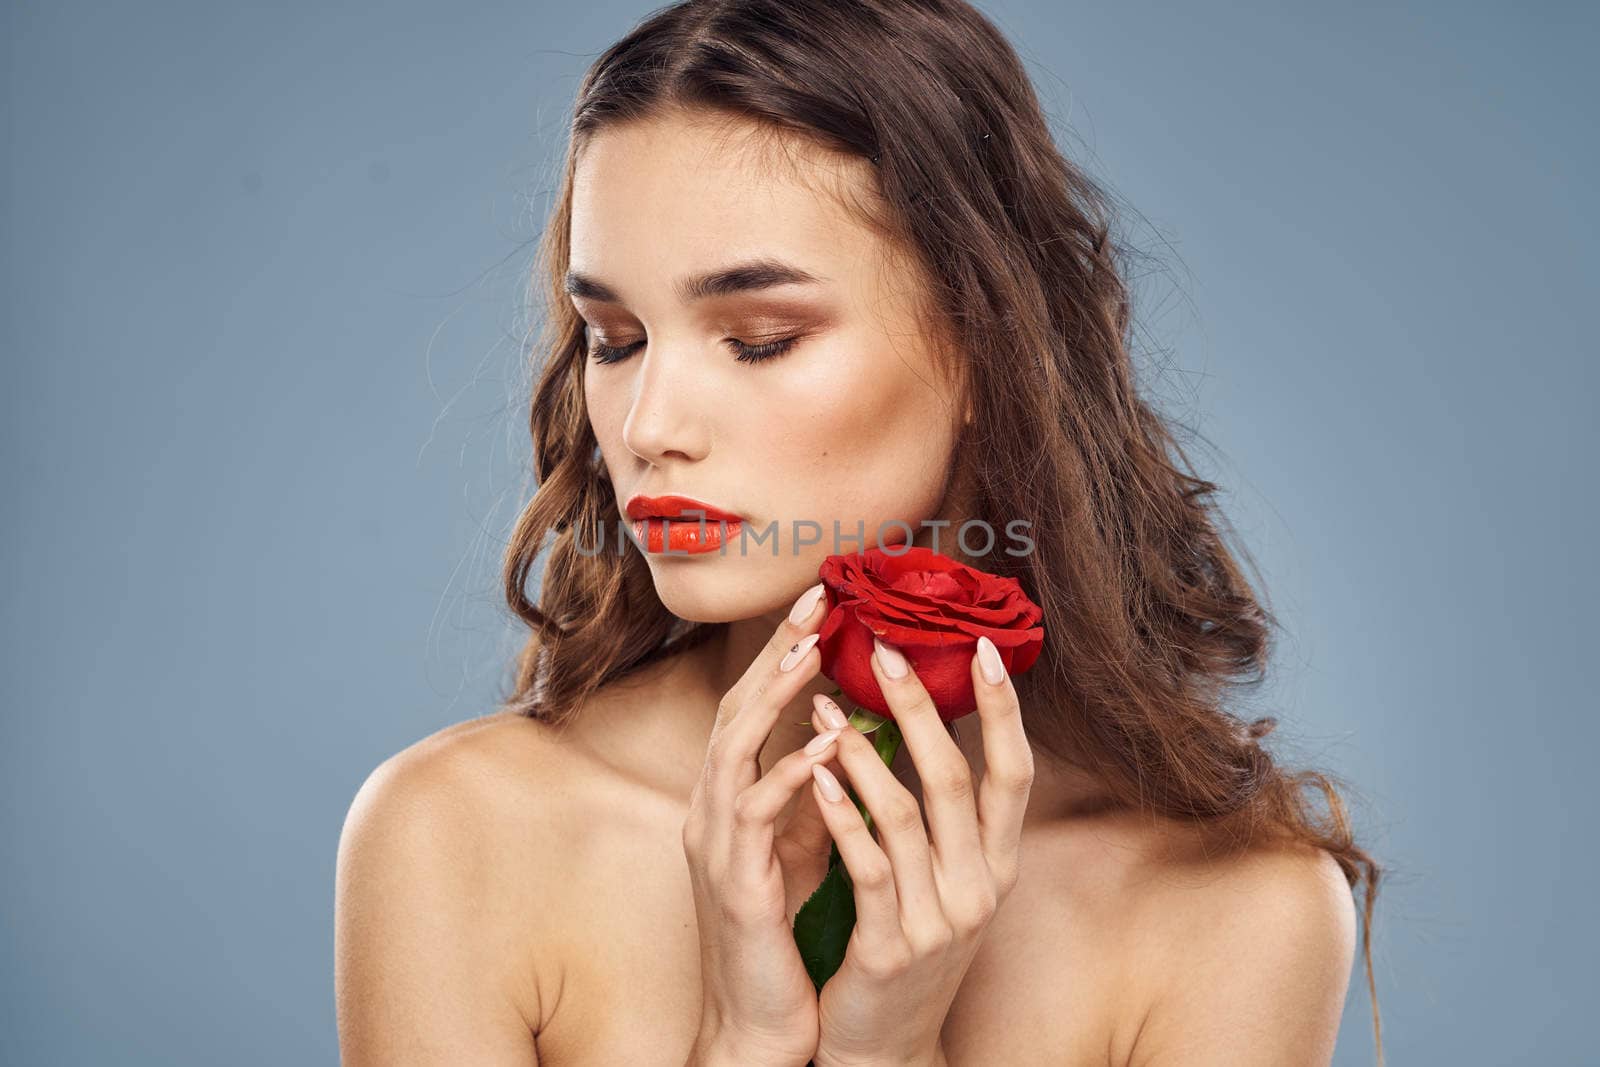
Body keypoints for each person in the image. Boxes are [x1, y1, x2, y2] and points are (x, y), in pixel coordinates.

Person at [335, 1, 1383, 1063]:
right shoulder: (457, 835)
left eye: (758, 339)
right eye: (615, 339)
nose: (647, 427)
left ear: (985, 346)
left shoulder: (1236, 908)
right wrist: (746, 1042)